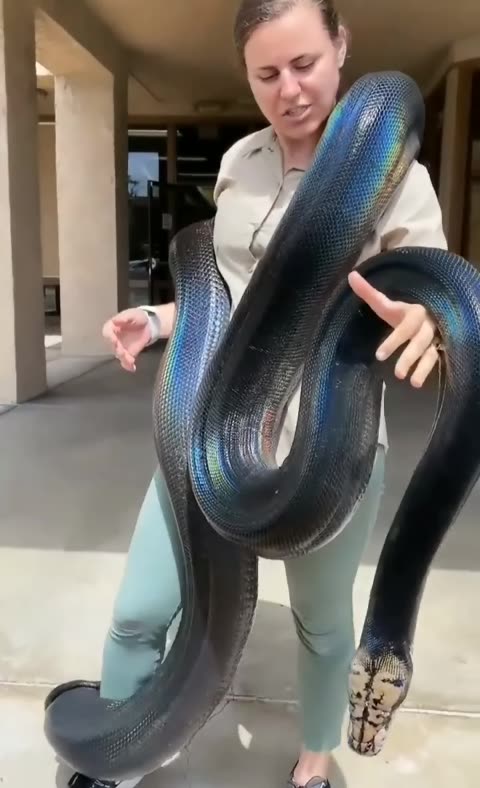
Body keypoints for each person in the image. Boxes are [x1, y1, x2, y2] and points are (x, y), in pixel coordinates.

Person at [68, 1, 447, 787]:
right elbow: (234, 295)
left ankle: (314, 759)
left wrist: (430, 319)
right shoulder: (241, 161)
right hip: (209, 427)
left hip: (327, 445)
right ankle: (118, 755)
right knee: (140, 611)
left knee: (322, 625)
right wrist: (159, 317)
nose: (289, 90)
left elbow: (427, 291)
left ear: (341, 48)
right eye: (266, 74)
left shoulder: (394, 175)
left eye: (305, 64)